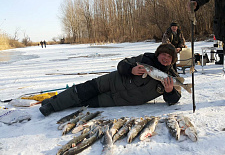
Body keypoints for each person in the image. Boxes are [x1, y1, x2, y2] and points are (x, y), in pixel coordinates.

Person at [39, 44, 182, 116]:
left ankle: (55, 101)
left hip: (119, 100)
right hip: (112, 81)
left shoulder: (171, 77)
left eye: (169, 57)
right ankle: (52, 105)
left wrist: (169, 91)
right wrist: (130, 69)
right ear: (157, 54)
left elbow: (175, 99)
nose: (165, 58)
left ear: (172, 61)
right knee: (82, 90)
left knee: (85, 102)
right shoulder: (145, 59)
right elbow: (121, 64)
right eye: (163, 54)